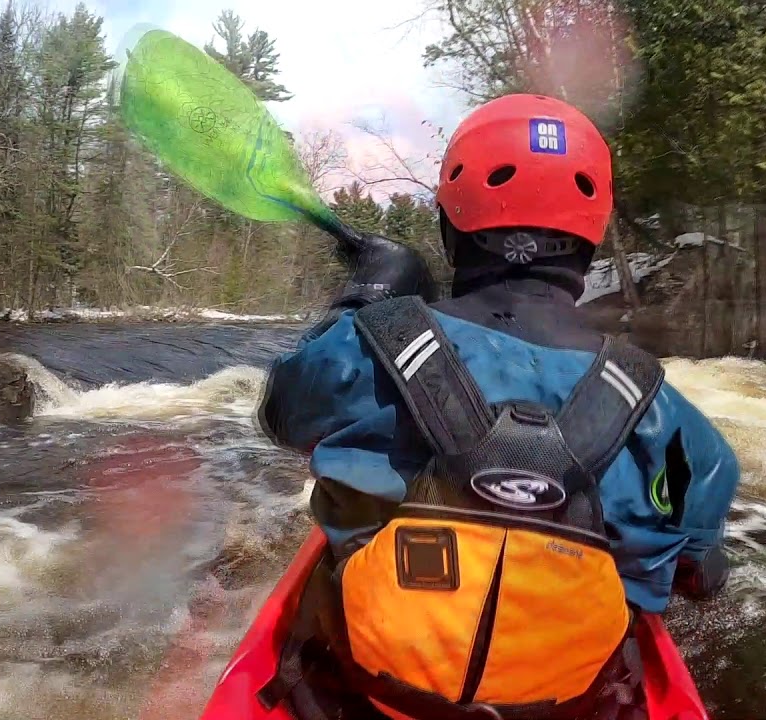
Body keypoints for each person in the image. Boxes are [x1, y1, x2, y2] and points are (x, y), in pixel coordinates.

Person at [255, 94, 740, 720]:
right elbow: (700, 576)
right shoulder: (668, 419)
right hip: (568, 703)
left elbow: (282, 416)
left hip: (361, 693)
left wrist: (367, 299)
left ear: (450, 225)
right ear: (589, 239)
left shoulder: (366, 346)